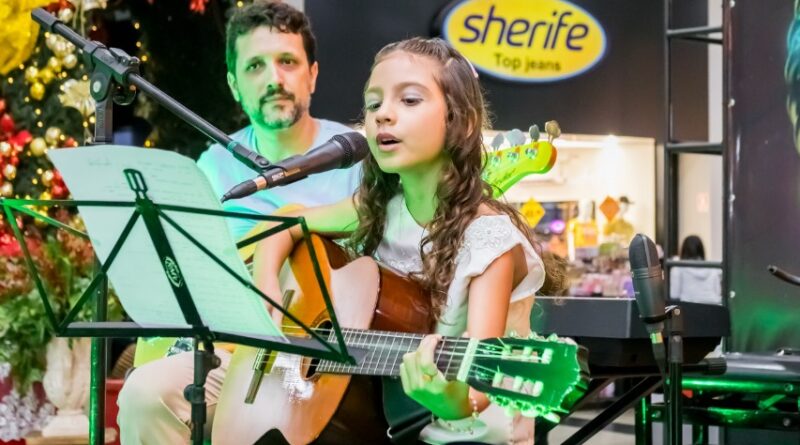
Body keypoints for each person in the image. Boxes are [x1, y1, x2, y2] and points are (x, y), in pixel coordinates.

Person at [222, 37, 564, 445]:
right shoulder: (383, 208)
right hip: (390, 425)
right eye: (374, 103)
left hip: (469, 436)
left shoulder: (488, 241)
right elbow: (286, 221)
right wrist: (268, 288)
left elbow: (477, 393)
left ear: (460, 121)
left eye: (410, 100)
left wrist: (445, 397)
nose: (384, 114)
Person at [116, 2, 361, 443]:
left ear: (313, 75)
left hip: (323, 359)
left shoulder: (356, 156)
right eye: (254, 66)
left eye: (288, 61)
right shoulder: (213, 167)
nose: (274, 79)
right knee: (144, 393)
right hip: (233, 356)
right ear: (233, 84)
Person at [669, 235, 722, 304]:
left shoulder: (678, 267)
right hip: (714, 307)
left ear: (683, 250)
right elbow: (718, 291)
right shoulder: (712, 266)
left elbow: (674, 294)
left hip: (690, 309)